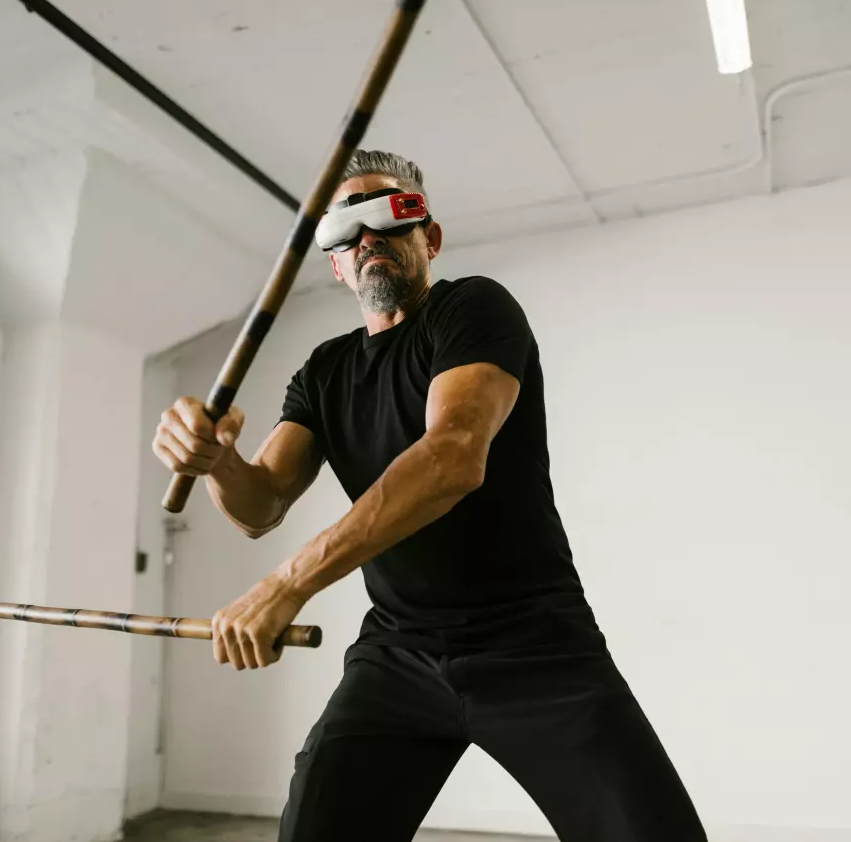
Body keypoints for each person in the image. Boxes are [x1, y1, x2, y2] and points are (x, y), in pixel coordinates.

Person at [152, 150, 707, 842]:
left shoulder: (472, 309)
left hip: (533, 645)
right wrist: (216, 460)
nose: (369, 239)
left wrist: (287, 585)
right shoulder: (324, 372)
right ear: (335, 265)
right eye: (346, 230)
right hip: (398, 655)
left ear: (429, 238)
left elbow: (452, 457)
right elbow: (260, 505)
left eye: (392, 214)